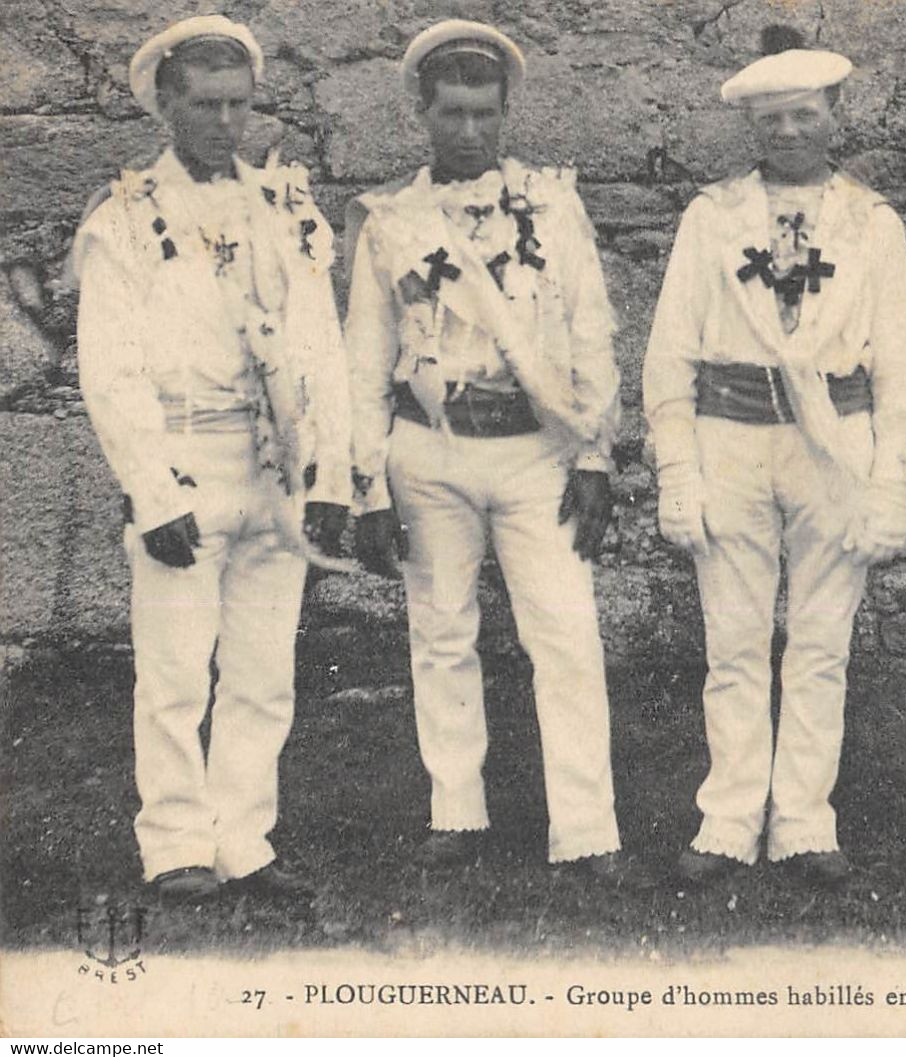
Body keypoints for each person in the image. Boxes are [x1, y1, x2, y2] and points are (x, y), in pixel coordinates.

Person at [344, 20, 641, 884]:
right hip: (429, 452)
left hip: (533, 453)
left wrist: (594, 458)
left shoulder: (553, 207)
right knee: (440, 631)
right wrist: (366, 486)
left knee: (566, 633)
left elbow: (591, 334)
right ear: (421, 114)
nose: (469, 133)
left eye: (485, 115)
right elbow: (364, 357)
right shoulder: (393, 225)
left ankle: (587, 828)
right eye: (451, 114)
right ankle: (456, 812)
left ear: (506, 112)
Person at [73, 15, 354, 902]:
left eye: (238, 104)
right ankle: (176, 842)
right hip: (184, 455)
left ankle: (245, 836)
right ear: (165, 103)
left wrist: (332, 474)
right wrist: (152, 493)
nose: (224, 123)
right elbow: (110, 370)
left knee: (265, 666)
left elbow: (321, 349)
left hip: (275, 463)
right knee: (174, 667)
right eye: (203, 104)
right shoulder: (124, 218)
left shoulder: (287, 209)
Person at [642, 26, 906, 887]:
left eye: (805, 116)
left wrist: (890, 484)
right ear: (752, 128)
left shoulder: (870, 221)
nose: (789, 134)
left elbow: (903, 367)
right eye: (772, 122)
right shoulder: (714, 216)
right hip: (731, 439)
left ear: (833, 115)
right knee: (731, 638)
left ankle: (804, 817)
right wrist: (677, 469)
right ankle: (728, 816)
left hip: (834, 447)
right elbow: (669, 354)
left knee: (818, 640)